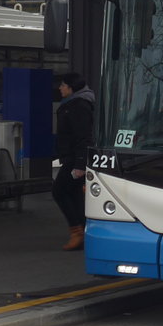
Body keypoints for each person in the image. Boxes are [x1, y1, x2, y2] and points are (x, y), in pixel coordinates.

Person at [53, 72, 95, 251]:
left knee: (59, 191)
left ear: (72, 88)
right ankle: (84, 232)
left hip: (74, 159)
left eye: (63, 85)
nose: (60, 88)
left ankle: (76, 232)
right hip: (71, 157)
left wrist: (79, 164)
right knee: (74, 194)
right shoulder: (73, 104)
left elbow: (82, 137)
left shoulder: (78, 106)